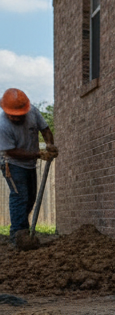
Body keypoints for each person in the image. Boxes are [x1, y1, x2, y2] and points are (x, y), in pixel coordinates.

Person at [1, 89, 57, 244]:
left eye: (18, 114)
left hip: (30, 164)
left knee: (31, 197)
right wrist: (38, 155)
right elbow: (11, 152)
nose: (15, 117)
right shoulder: (2, 126)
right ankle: (18, 234)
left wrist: (50, 145)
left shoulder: (33, 112)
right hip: (12, 163)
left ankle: (22, 229)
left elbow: (45, 130)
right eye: (12, 114)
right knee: (20, 196)